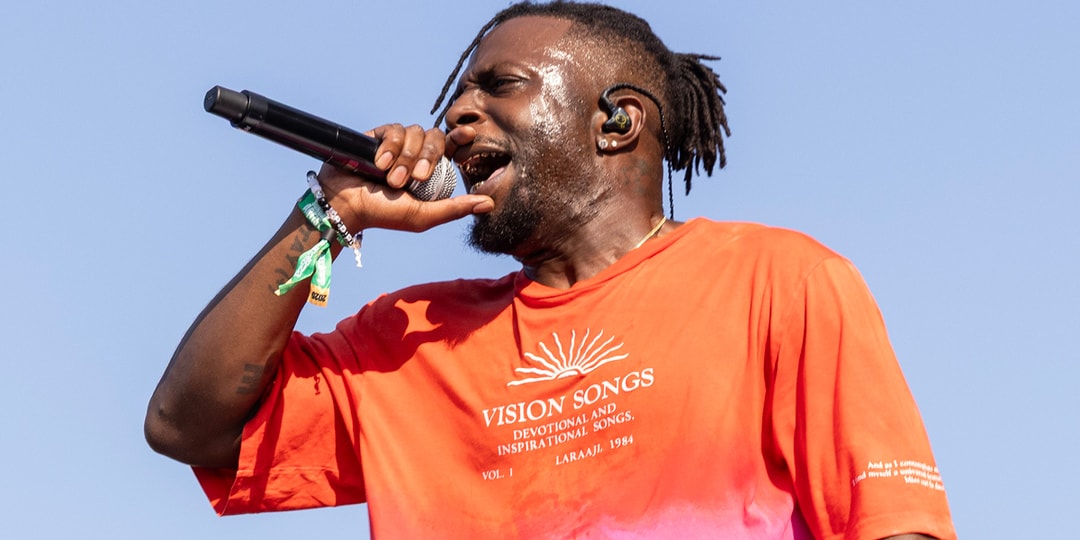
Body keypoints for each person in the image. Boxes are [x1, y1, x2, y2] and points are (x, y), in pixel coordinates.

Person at [145, 2, 956, 539]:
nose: (457, 117)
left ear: (616, 121)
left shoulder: (776, 281)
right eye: (459, 95)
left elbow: (895, 522)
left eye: (501, 87)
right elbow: (189, 428)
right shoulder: (408, 339)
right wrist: (329, 215)